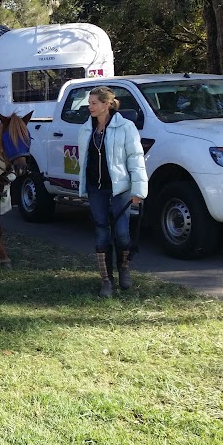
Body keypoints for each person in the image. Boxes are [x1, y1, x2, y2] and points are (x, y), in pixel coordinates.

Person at [77, 86, 148, 298]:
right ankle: (106, 281)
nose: (90, 107)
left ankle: (124, 267)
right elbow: (85, 161)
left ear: (106, 104)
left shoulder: (125, 127)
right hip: (95, 188)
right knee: (101, 234)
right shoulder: (85, 129)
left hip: (120, 188)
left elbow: (135, 158)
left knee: (122, 233)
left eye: (94, 103)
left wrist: (138, 190)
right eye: (89, 103)